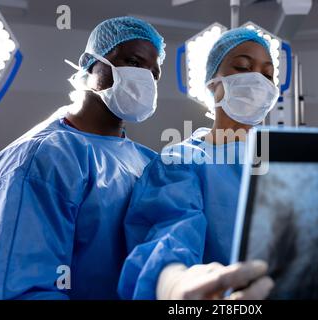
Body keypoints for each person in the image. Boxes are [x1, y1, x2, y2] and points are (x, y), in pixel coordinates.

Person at [0, 16, 166, 299]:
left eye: (154, 73)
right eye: (134, 62)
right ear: (91, 62)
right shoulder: (41, 159)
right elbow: (21, 289)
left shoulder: (147, 163)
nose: (146, 78)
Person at [118, 28, 280, 300]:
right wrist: (173, 282)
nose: (258, 82)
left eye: (267, 75)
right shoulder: (181, 161)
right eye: (242, 67)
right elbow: (169, 233)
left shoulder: (283, 159)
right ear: (212, 83)